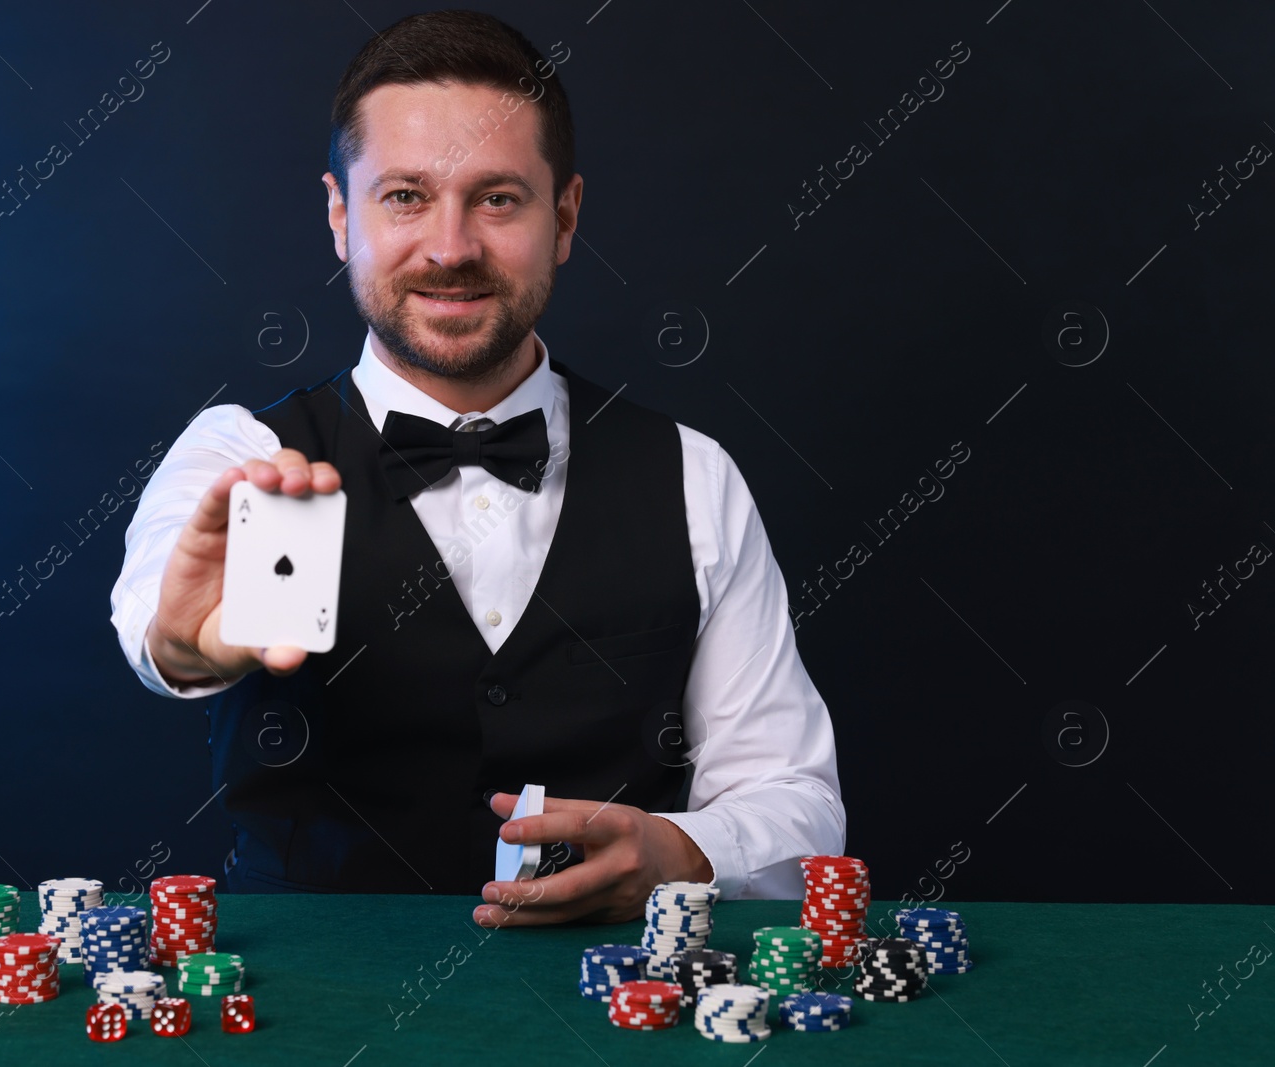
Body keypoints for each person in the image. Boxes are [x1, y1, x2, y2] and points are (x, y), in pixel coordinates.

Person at [111, 9, 843, 926]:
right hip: (307, 1016)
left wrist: (682, 848)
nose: (451, 247)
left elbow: (798, 802)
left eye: (497, 198)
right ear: (341, 218)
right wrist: (184, 646)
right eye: (405, 196)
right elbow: (153, 620)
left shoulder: (692, 474)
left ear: (565, 215)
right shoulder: (247, 457)